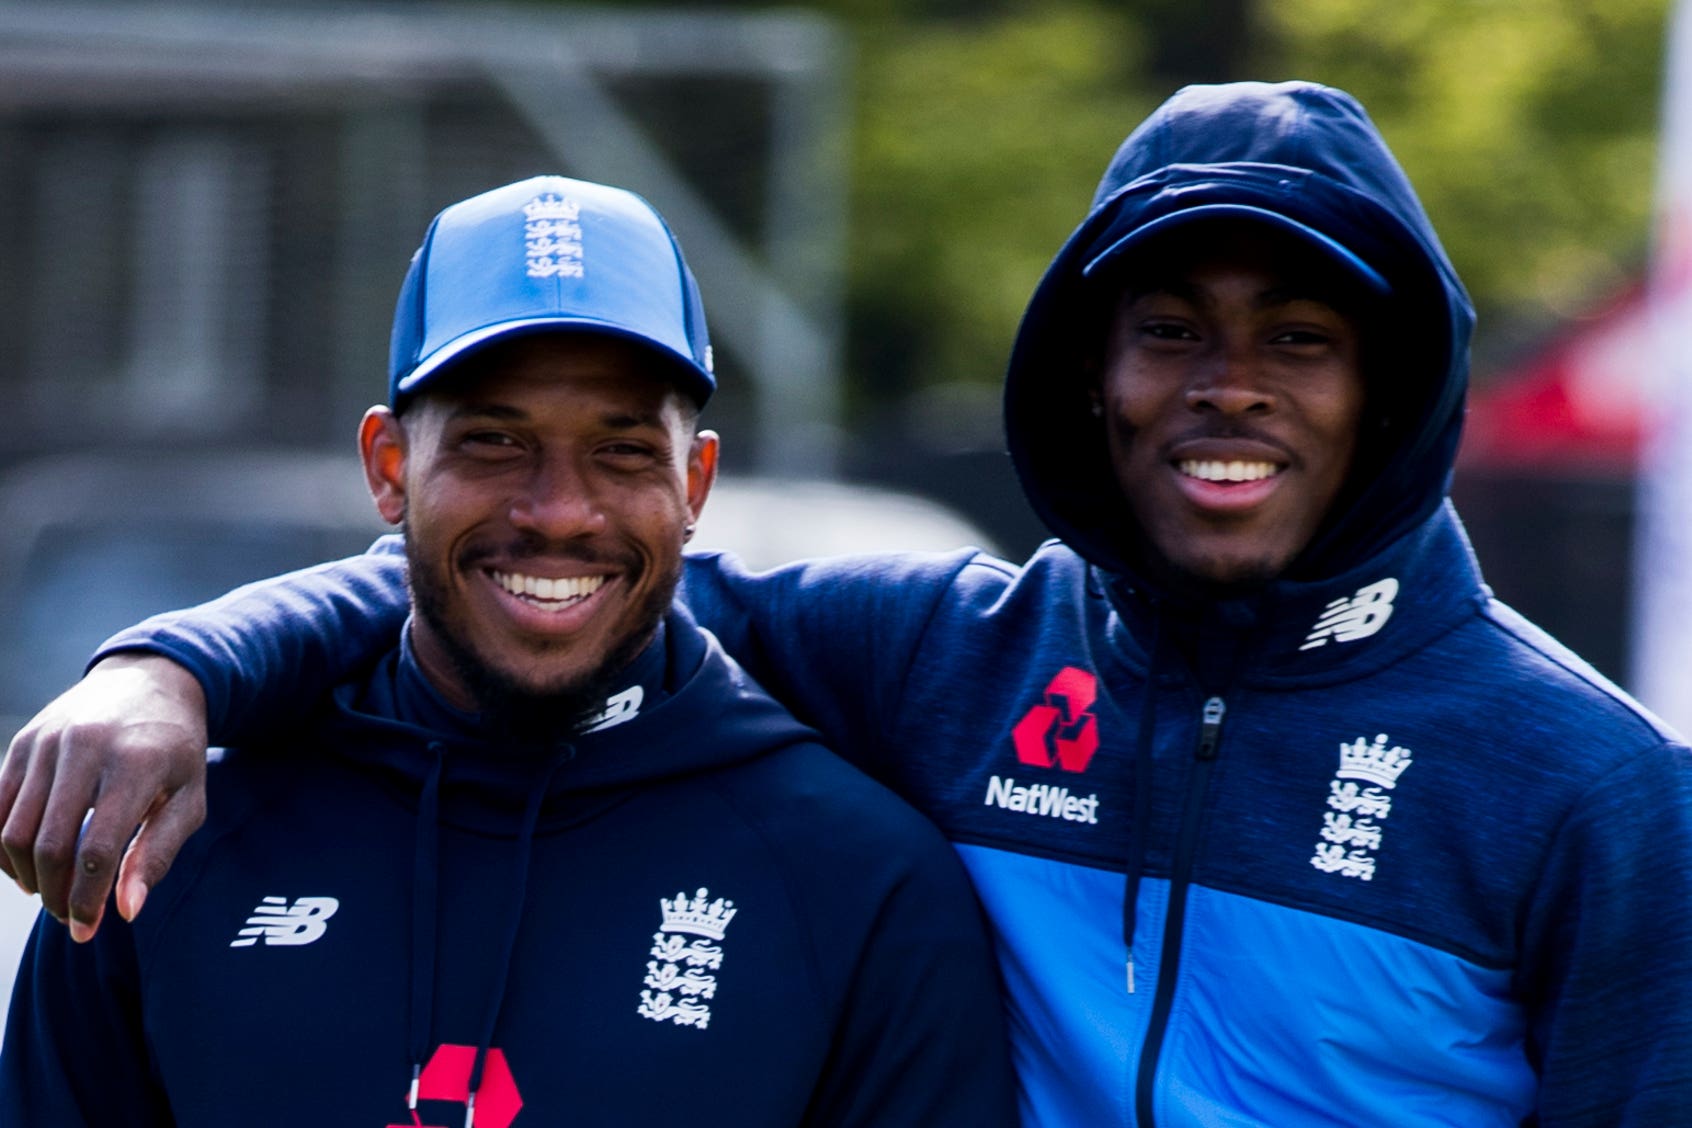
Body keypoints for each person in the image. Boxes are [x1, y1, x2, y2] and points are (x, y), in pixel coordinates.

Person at [6, 81, 1691, 1126]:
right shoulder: (951, 658)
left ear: (1388, 389)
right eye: (1170, 326)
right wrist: (175, 666)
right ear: (1092, 376)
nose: (1227, 387)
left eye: (1299, 338)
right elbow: (543, 575)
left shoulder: (1596, 791)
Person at [0, 175, 1016, 1127]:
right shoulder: (169, 841)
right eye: (494, 442)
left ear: (695, 486)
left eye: (622, 451)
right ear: (390, 468)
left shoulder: (860, 879)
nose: (558, 512)